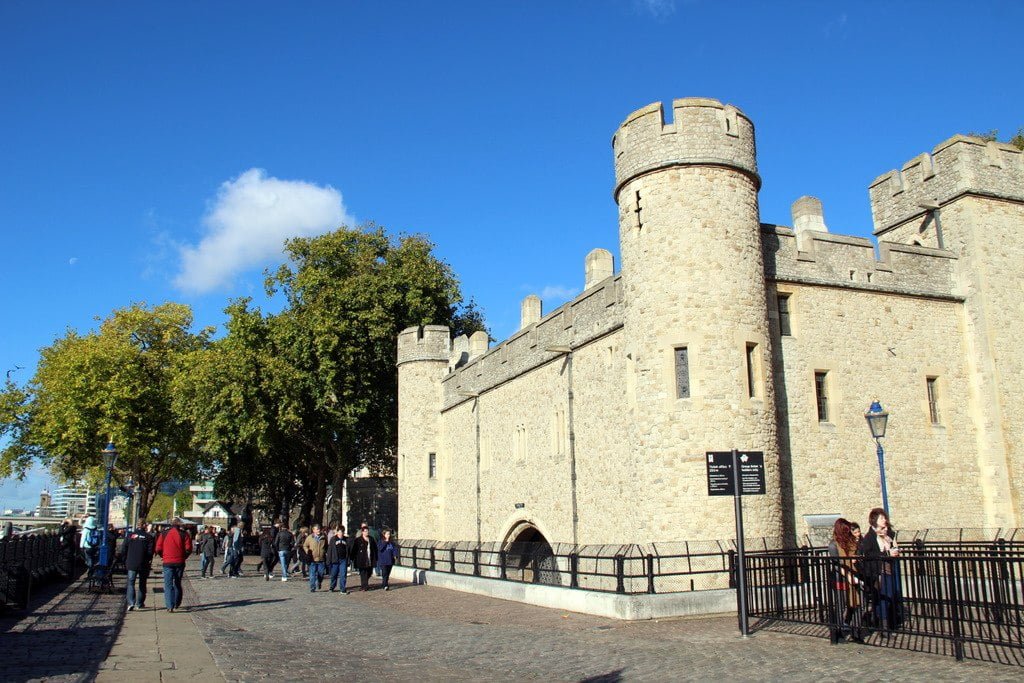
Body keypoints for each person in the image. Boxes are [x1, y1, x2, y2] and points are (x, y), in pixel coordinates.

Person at [858, 507, 903, 632]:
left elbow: (894, 547)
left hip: (889, 568)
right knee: (883, 597)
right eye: (881, 518)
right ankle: (883, 626)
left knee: (890, 596)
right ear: (875, 520)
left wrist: (892, 546)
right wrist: (886, 554)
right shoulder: (869, 537)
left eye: (884, 517)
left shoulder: (889, 533)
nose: (884, 520)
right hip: (878, 571)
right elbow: (868, 555)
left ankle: (885, 622)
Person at [827, 518, 863, 643]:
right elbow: (837, 564)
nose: (848, 533)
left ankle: (855, 630)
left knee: (858, 604)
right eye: (846, 531)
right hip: (841, 578)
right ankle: (837, 633)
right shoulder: (833, 545)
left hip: (854, 575)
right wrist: (847, 575)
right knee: (841, 605)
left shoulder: (851, 543)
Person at [155, 519, 193, 612]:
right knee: (177, 583)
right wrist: (184, 557)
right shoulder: (184, 534)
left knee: (168, 584)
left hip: (167, 561)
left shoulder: (164, 533)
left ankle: (169, 605)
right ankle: (176, 603)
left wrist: (162, 556)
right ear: (179, 525)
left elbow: (158, 548)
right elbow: (188, 548)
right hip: (179, 561)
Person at [119, 520, 154, 611]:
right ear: (144, 526)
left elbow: (124, 549)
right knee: (142, 584)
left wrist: (125, 560)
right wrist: (147, 559)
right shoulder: (148, 537)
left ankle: (131, 602)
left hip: (131, 562)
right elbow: (150, 552)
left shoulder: (130, 536)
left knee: (131, 583)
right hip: (143, 563)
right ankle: (139, 603)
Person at [351, 525, 378, 591]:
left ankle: (364, 584)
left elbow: (375, 548)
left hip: (370, 558)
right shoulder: (358, 540)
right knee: (363, 572)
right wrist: (352, 557)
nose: (367, 532)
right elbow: (354, 549)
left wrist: (376, 557)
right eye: (365, 531)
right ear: (362, 532)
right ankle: (364, 586)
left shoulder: (371, 539)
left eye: (367, 531)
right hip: (361, 559)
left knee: (369, 572)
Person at [303, 524, 327, 592]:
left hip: (321, 559)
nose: (318, 530)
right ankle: (312, 587)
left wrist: (325, 552)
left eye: (319, 529)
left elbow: (326, 546)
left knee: (321, 574)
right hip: (312, 559)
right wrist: (308, 551)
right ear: (313, 530)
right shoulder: (310, 537)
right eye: (317, 529)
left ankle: (319, 582)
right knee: (312, 574)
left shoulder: (323, 537)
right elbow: (305, 545)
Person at [326, 525, 351, 593]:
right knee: (334, 574)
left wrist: (348, 560)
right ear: (337, 532)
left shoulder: (346, 539)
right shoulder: (333, 539)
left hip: (343, 560)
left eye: (342, 532)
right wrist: (328, 560)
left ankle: (342, 588)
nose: (341, 534)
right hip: (335, 560)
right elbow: (330, 550)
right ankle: (332, 587)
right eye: (339, 532)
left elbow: (348, 551)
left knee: (343, 574)